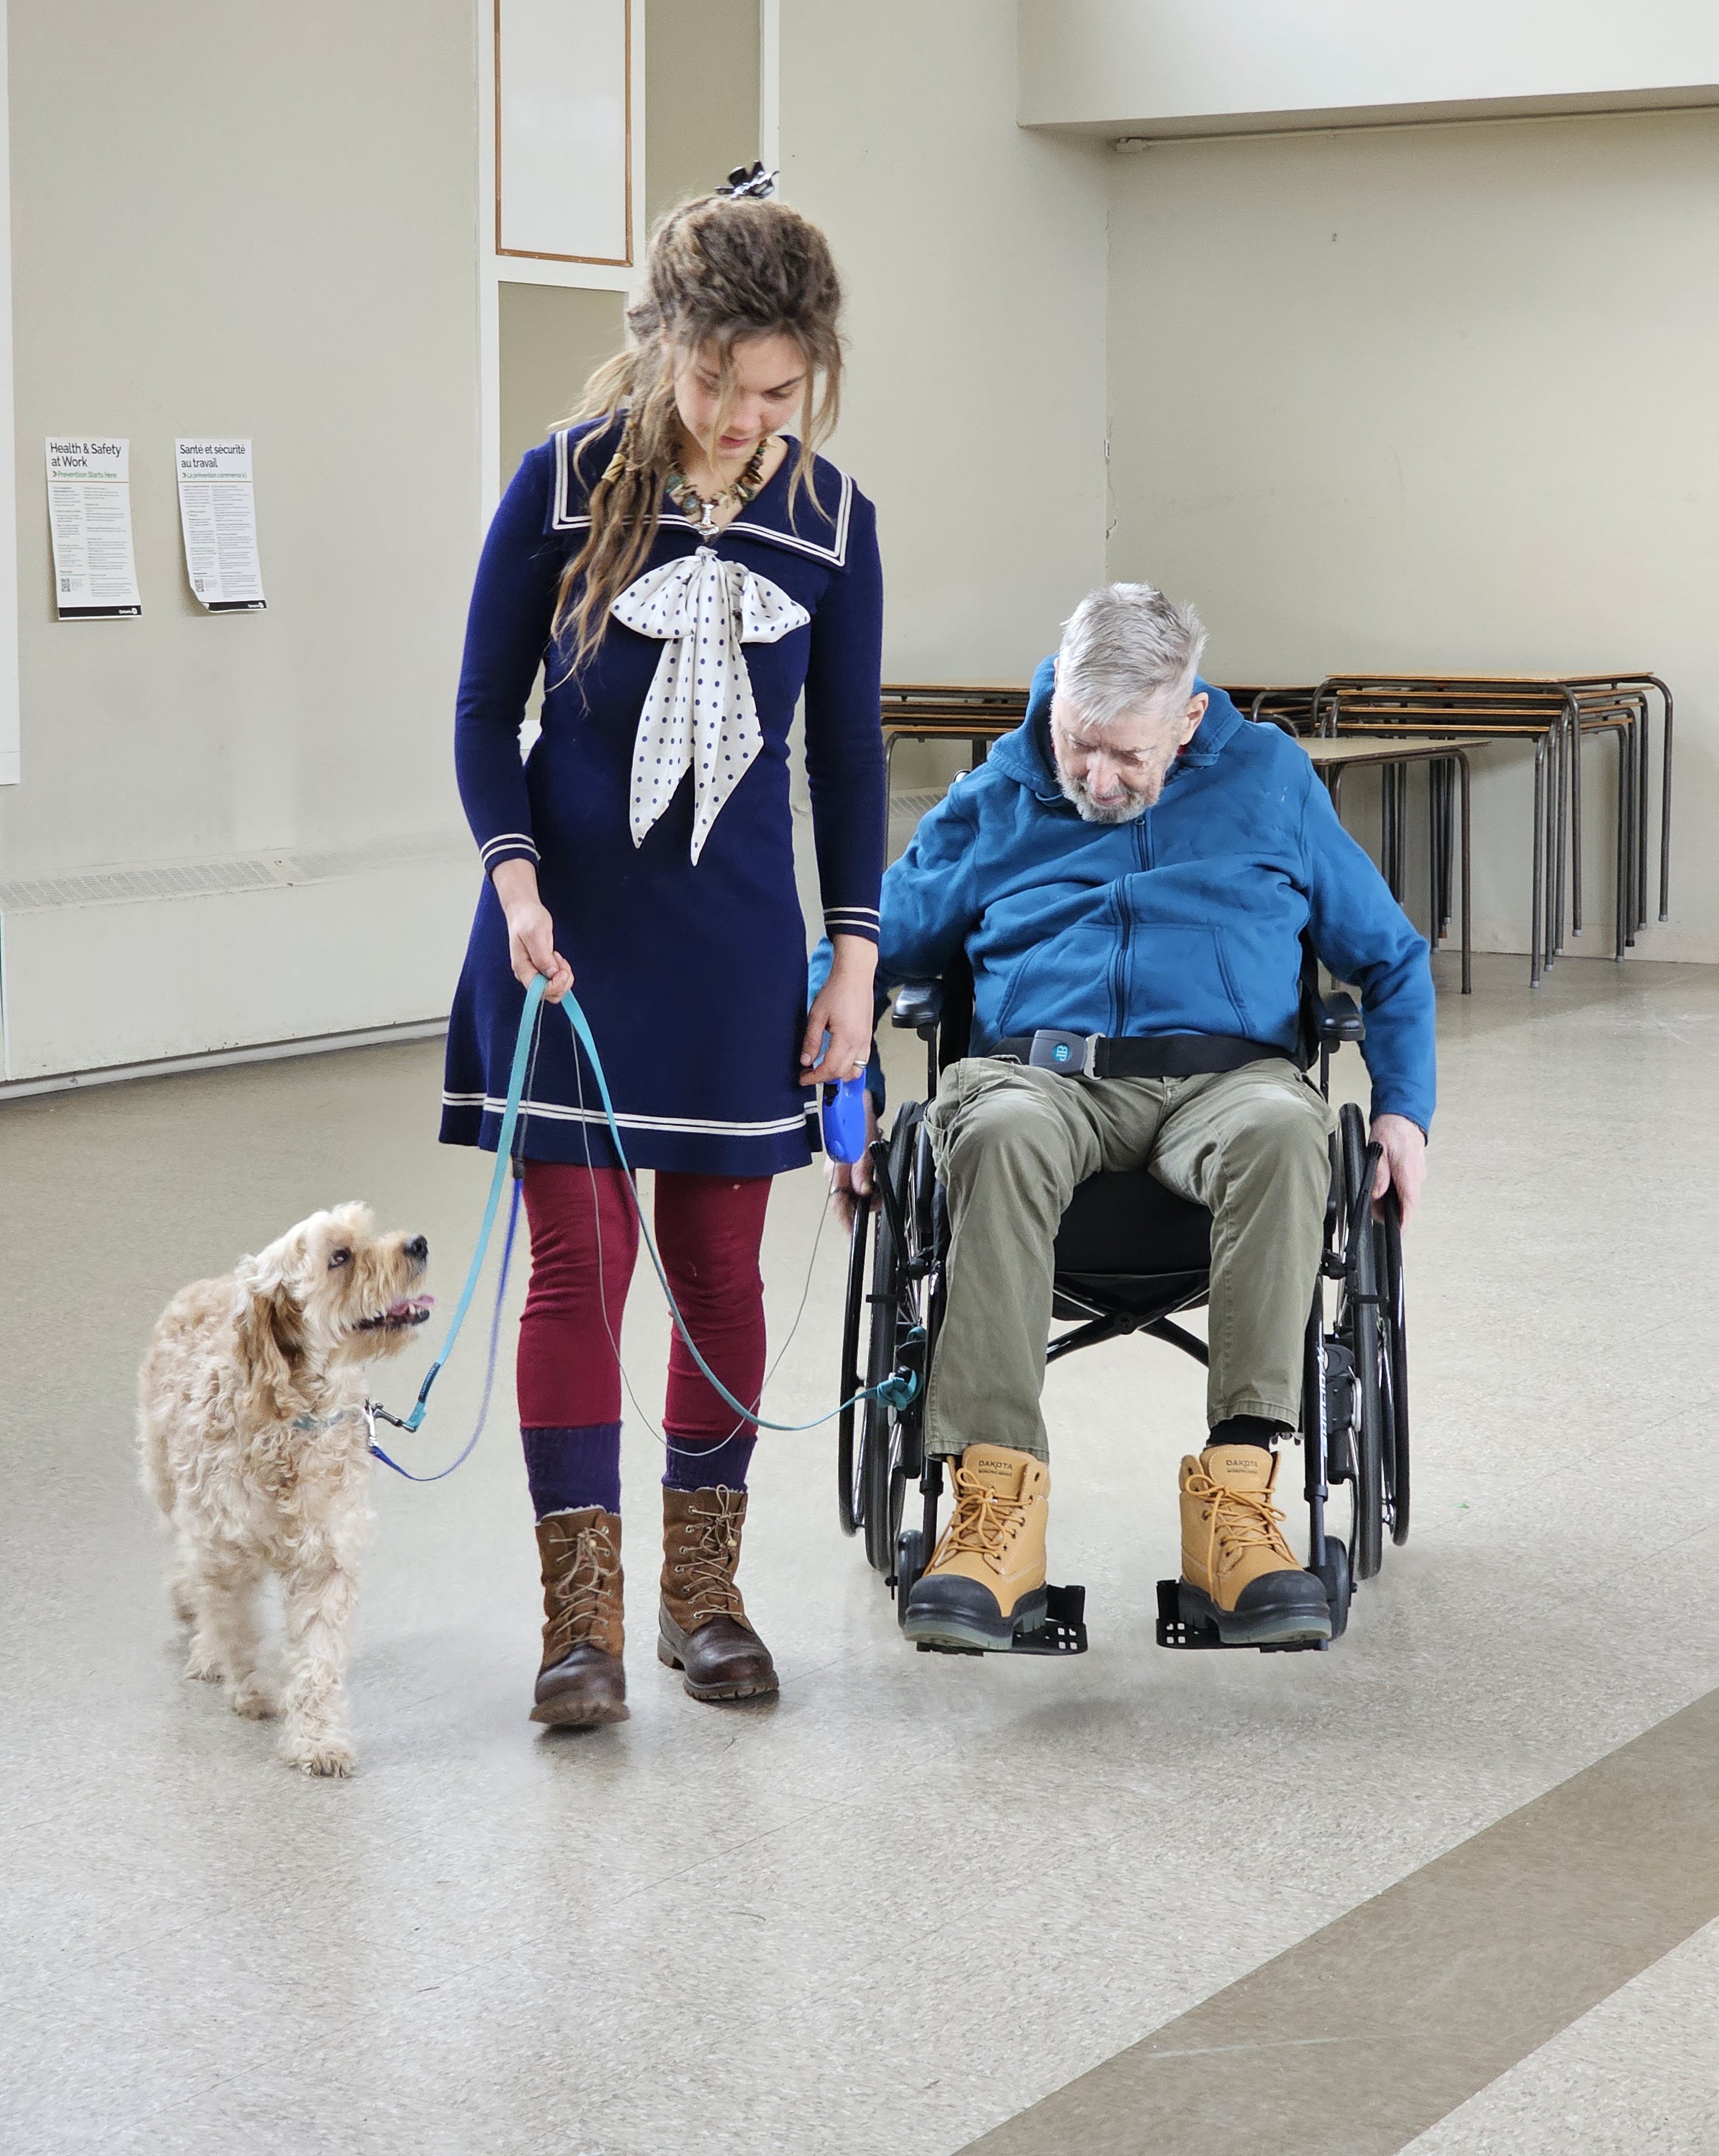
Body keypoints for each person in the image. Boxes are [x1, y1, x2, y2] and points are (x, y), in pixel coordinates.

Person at [444, 185, 884, 1726]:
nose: (743, 419)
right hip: (563, 942)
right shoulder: (559, 487)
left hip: (734, 952)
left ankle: (708, 1600)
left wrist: (854, 962)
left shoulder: (834, 521)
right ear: (664, 347)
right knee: (579, 1263)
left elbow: (845, 762)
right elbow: (481, 711)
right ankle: (580, 1629)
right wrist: (511, 884)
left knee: (712, 1271)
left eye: (777, 392)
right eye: (717, 383)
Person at [835, 583, 1433, 1653]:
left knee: (1289, 1129)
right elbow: (863, 952)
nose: (1097, 781)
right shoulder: (997, 796)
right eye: (1079, 745)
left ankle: (1240, 1512)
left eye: (1127, 756)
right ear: (1057, 701)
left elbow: (1390, 960)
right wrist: (852, 1106)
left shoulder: (1272, 784)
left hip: (1228, 1084)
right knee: (998, 1130)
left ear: (1189, 717)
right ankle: (993, 1520)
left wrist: (1403, 1115)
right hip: (1038, 1083)